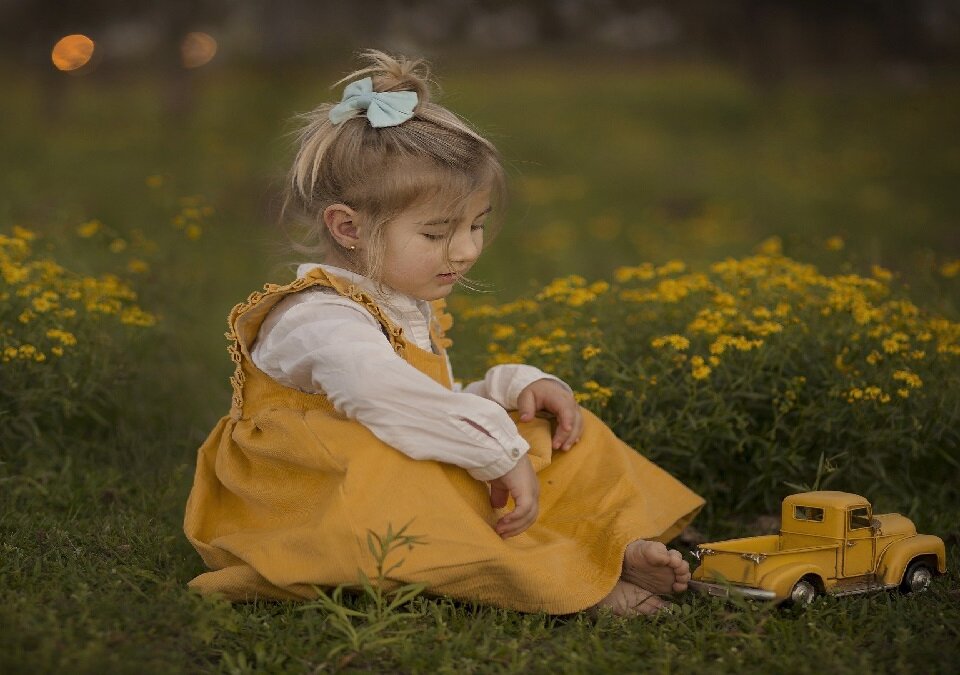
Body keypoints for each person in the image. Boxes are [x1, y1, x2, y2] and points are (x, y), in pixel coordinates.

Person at [183, 50, 703, 616]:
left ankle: (612, 546)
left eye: (475, 226)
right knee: (406, 474)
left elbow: (429, 407)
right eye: (436, 234)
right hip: (309, 501)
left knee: (553, 432)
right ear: (348, 227)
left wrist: (506, 392)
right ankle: (578, 585)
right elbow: (384, 399)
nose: (467, 250)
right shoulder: (318, 319)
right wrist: (496, 451)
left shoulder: (398, 302)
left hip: (389, 451)